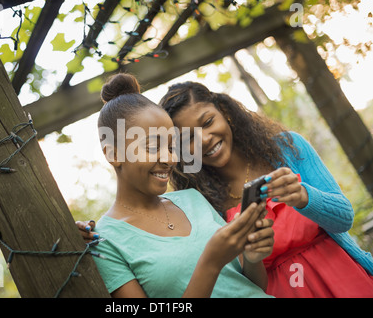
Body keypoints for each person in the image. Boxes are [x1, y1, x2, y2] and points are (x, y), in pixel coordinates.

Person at [155, 80, 373, 297]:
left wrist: (304, 197)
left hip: (346, 281)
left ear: (224, 112)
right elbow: (242, 282)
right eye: (189, 138)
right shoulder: (204, 202)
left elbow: (344, 218)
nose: (204, 139)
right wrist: (252, 256)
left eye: (208, 122)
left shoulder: (288, 148)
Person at [86, 73, 275, 298]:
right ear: (114, 153)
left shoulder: (193, 199)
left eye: (172, 146)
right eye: (153, 146)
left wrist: (253, 257)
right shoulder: (104, 241)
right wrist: (211, 263)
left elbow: (255, 286)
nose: (169, 159)